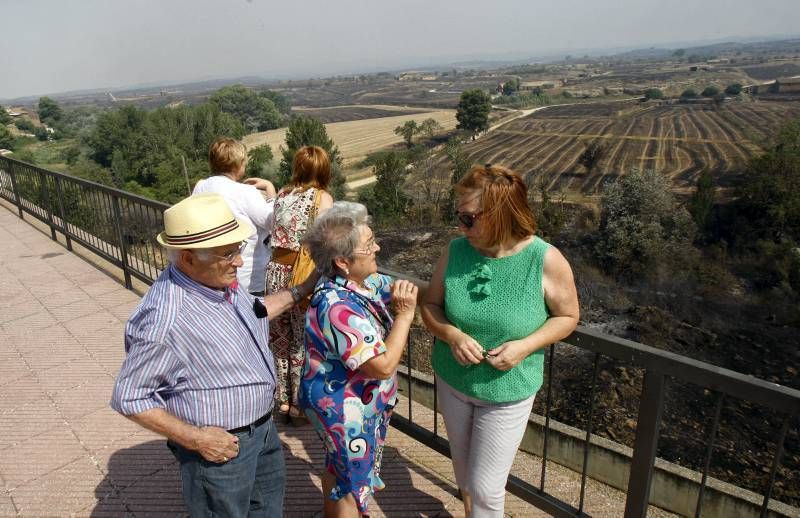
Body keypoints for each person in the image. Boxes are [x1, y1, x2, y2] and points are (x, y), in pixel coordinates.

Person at [110, 192, 317, 517]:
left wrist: (304, 288)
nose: (238, 261)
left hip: (262, 432)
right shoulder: (166, 318)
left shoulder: (219, 283)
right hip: (221, 450)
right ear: (189, 258)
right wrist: (196, 439)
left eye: (238, 249)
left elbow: (257, 311)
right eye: (227, 254)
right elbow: (130, 397)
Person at [421, 165, 579, 517]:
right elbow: (430, 306)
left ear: (501, 214)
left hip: (507, 393)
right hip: (454, 383)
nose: (460, 226)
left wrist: (524, 347)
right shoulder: (456, 251)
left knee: (486, 489)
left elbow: (568, 317)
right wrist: (452, 334)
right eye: (458, 215)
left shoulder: (545, 259)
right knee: (465, 477)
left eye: (468, 218)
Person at [299, 201, 418, 517]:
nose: (378, 247)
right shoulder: (338, 307)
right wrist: (405, 316)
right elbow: (382, 366)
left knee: (338, 471)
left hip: (342, 401)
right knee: (354, 485)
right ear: (342, 260)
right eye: (369, 246)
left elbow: (390, 287)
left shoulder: (357, 283)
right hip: (345, 409)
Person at [267, 145, 334, 423]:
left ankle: (281, 400)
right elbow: (327, 241)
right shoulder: (323, 198)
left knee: (279, 338)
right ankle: (299, 403)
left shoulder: (282, 194)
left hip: (274, 271)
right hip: (301, 276)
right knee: (302, 340)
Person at [193, 137, 277, 295]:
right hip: (246, 276)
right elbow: (272, 221)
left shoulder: (201, 186)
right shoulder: (245, 192)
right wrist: (270, 189)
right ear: (238, 164)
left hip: (211, 271)